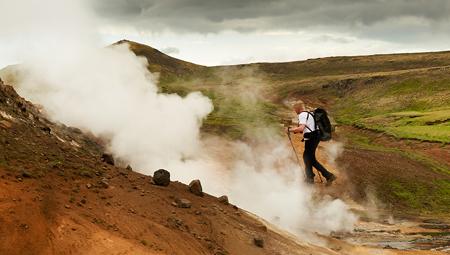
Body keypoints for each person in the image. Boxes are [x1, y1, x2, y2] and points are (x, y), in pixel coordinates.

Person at [287, 103, 336, 185]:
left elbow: (301, 128)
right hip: (314, 137)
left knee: (307, 157)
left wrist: (289, 130)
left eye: (295, 109)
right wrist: (295, 130)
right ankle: (317, 177)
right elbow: (304, 129)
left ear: (298, 108)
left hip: (311, 138)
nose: (295, 111)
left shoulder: (302, 115)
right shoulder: (309, 114)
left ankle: (317, 177)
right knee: (309, 158)